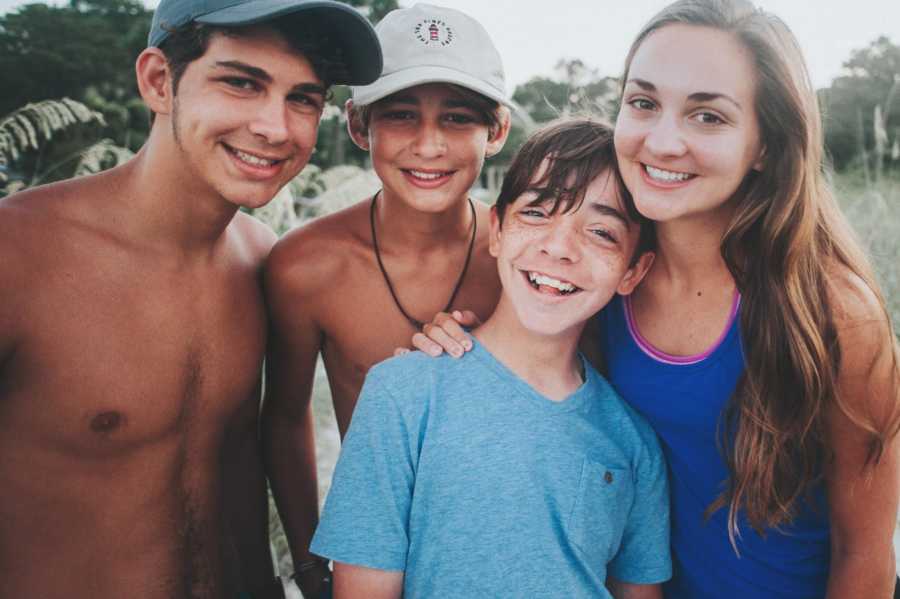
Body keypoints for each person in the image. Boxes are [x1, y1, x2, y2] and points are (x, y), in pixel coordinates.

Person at [414, 0, 900, 597]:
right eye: (643, 103)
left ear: (768, 144)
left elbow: (864, 552)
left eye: (708, 117)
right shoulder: (594, 284)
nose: (663, 142)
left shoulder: (833, 312)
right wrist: (453, 336)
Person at [0, 1, 381, 597]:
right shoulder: (16, 256)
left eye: (303, 98)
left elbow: (257, 444)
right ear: (158, 81)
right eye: (241, 82)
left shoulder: (262, 261)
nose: (275, 127)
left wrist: (309, 571)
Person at [310, 118, 668, 599]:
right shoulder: (402, 394)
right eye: (538, 213)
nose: (559, 247)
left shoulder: (635, 443)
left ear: (633, 270)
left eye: (602, 232)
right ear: (496, 229)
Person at [261, 4, 510, 593]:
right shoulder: (306, 265)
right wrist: (307, 560)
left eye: (457, 118)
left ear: (495, 132)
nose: (429, 146)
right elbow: (285, 414)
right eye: (400, 115)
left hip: (505, 546)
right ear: (356, 125)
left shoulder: (523, 256)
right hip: (375, 559)